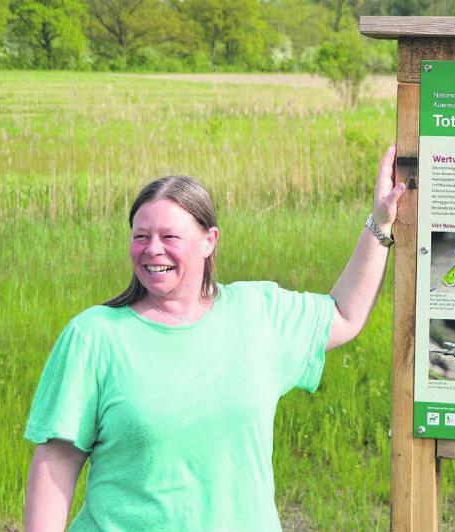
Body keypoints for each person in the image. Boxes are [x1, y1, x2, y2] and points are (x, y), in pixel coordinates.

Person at [23, 146, 405, 531]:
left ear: (210, 241)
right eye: (141, 236)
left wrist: (379, 222)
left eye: (169, 235)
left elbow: (344, 314)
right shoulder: (94, 337)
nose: (153, 249)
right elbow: (56, 460)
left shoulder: (259, 312)